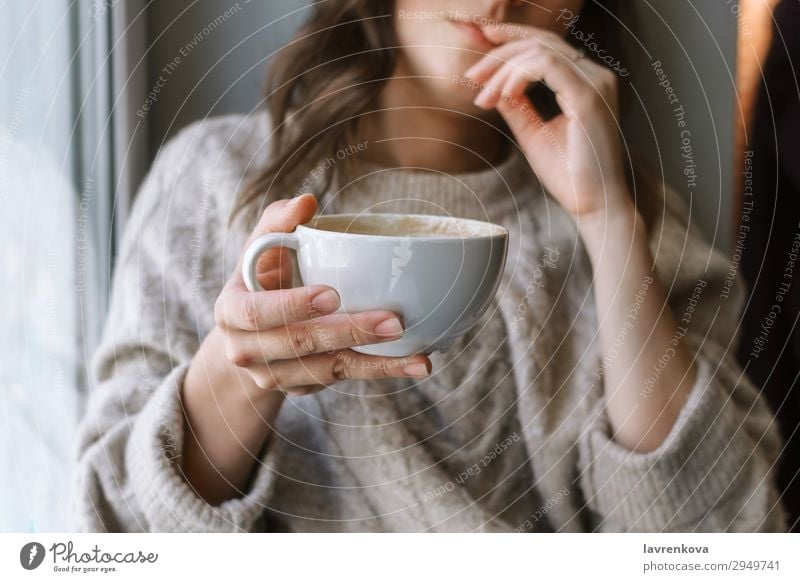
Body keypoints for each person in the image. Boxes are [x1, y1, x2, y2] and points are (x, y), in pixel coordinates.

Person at [72, 0, 786, 532]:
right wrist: (239, 372)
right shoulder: (210, 185)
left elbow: (725, 539)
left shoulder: (647, 228)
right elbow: (113, 534)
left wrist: (609, 224)